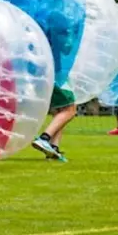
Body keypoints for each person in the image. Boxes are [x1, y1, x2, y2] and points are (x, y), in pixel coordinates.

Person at [32, 13, 78, 163]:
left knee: (60, 110)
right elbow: (67, 49)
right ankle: (45, 138)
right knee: (70, 110)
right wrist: (73, 33)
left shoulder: (39, 33)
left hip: (42, 75)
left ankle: (53, 148)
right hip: (55, 75)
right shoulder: (59, 30)